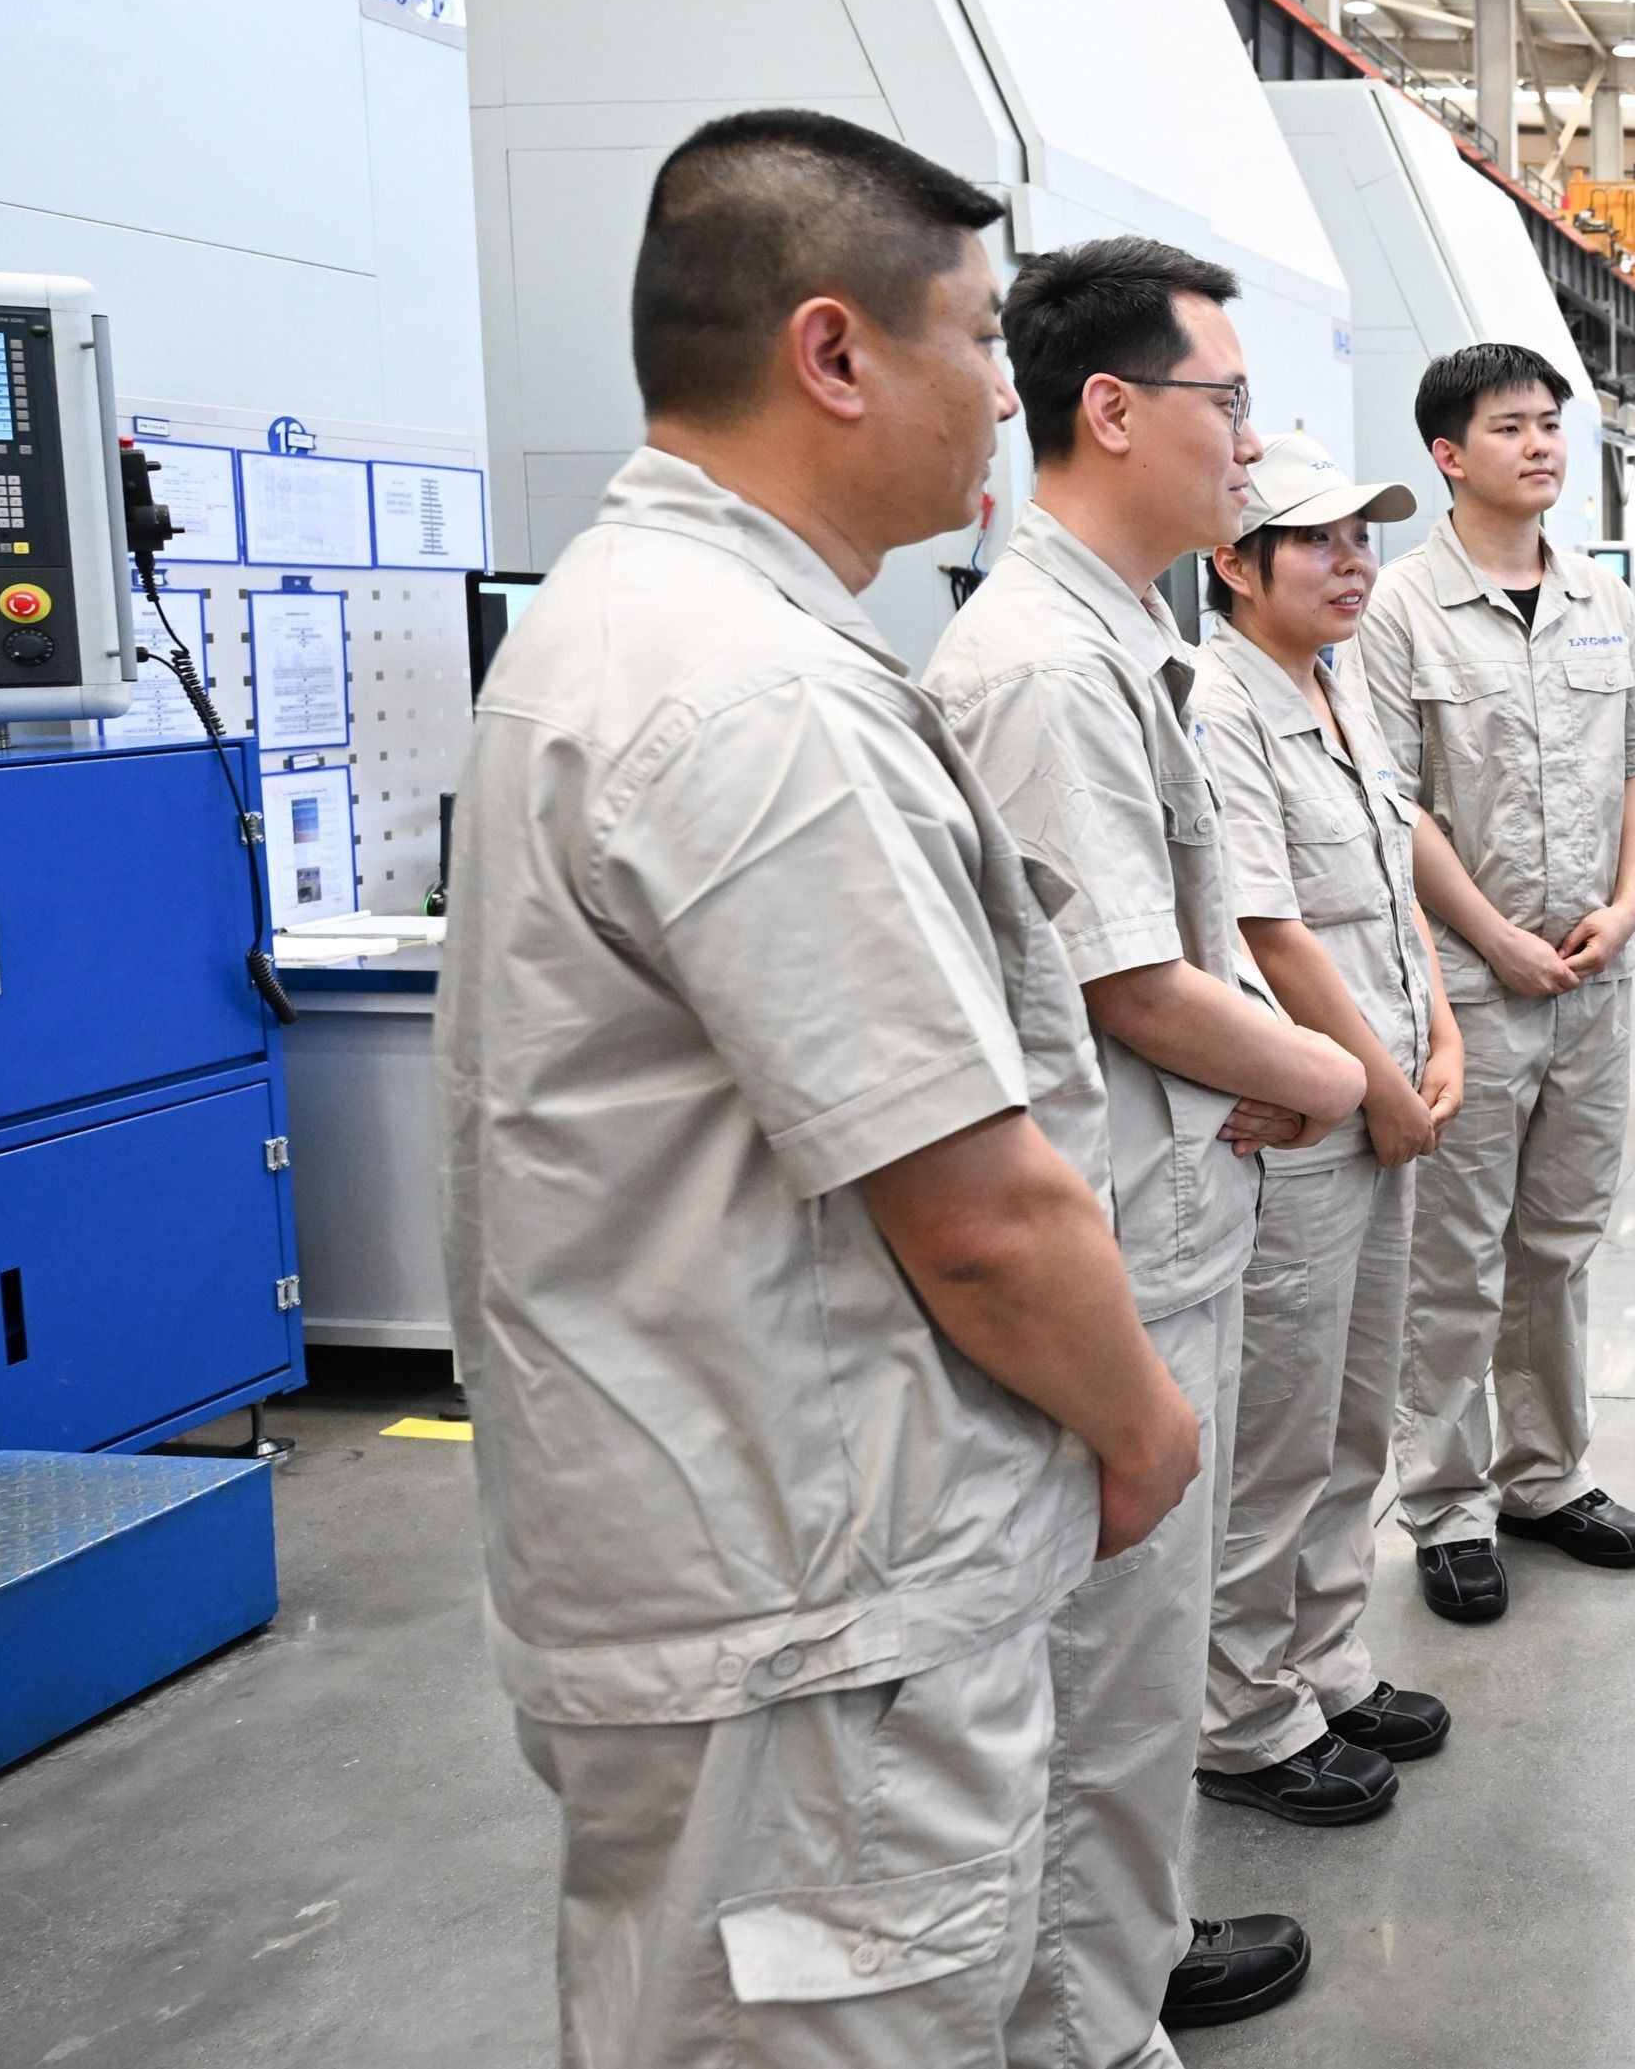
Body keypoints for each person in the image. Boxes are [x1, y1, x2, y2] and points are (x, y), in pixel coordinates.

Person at [440, 110, 1206, 2067]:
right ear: (834, 352)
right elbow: (980, 1208)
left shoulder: (635, 622)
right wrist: (1140, 1426)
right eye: (980, 339)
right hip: (808, 1606)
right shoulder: (762, 696)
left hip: (726, 1552)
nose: (1003, 396)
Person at [924, 235, 1370, 2057]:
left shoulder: (1126, 638)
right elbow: (1131, 980)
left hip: (1176, 1209)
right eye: (1229, 404)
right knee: (1105, 1677)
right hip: (1119, 1236)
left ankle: (1125, 1946)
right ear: (1110, 410)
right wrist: (1329, 1073)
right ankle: (1087, 2024)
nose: (1251, 448)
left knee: (1141, 1658)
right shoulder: (1044, 664)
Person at [1359, 342, 1635, 1625]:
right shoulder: (1398, 608)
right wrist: (1493, 940)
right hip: (1473, 989)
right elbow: (1394, 803)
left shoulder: (1600, 597)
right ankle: (1446, 1504)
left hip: (1593, 980)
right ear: (1448, 454)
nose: (1542, 444)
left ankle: (1544, 1476)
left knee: (1557, 1243)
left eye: (1551, 423)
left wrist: (1629, 905)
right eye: (1511, 427)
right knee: (1454, 1255)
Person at [1194, 431, 1467, 1826]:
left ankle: (1324, 1659)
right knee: (1282, 1426)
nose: (1354, 563)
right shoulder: (1219, 703)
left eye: (1363, 537)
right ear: (1236, 563)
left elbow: (1389, 878)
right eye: (1318, 540)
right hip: (1308, 1119)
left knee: (1359, 1407)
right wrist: (1379, 1084)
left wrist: (1443, 1030)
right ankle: (1241, 1715)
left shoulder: (1336, 680)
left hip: (1384, 1095)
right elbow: (1268, 926)